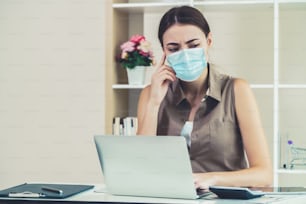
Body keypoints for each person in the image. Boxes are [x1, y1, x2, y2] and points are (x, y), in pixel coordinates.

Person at [136, 5, 272, 189]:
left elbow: (263, 174)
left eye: (193, 45)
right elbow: (139, 167)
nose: (185, 54)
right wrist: (153, 104)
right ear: (164, 52)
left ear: (208, 41)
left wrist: (211, 179)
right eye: (174, 48)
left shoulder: (237, 90)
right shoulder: (150, 94)